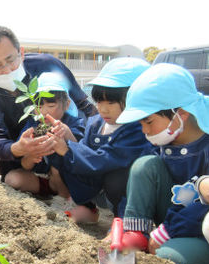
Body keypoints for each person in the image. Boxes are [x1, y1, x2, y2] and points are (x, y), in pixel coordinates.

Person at [0, 25, 96, 196]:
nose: (7, 70)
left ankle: (71, 180)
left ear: (21, 53)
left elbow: (84, 105)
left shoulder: (47, 66)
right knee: (13, 177)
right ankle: (50, 184)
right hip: (22, 158)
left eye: (11, 60)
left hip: (68, 151)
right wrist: (20, 148)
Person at [116, 63, 209, 264]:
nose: (144, 130)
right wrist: (123, 221)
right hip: (172, 218)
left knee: (169, 259)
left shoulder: (207, 148)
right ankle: (137, 234)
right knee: (145, 165)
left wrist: (167, 231)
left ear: (181, 114)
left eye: (149, 122)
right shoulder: (162, 143)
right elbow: (136, 188)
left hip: (200, 231)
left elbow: (204, 207)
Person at [47, 58, 151, 223]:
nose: (103, 109)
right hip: (97, 188)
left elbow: (105, 159)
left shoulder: (138, 129)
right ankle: (88, 208)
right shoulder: (96, 123)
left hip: (125, 195)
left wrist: (67, 148)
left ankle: (124, 222)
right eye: (99, 101)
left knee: (116, 178)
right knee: (65, 161)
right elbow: (85, 154)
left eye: (111, 102)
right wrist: (67, 139)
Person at [19, 72, 85, 198]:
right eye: (38, 106)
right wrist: (31, 156)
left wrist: (65, 131)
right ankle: (48, 191)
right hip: (43, 178)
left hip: (68, 179)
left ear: (66, 104)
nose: (43, 112)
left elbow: (81, 152)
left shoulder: (74, 123)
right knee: (13, 179)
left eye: (51, 105)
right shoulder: (32, 126)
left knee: (56, 168)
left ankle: (64, 195)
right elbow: (25, 165)